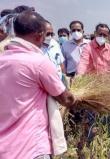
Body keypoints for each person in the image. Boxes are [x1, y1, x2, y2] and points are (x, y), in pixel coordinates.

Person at [0, 10, 76, 159]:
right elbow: (65, 99)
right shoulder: (38, 62)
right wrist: (75, 97)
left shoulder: (3, 59)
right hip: (31, 147)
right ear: (40, 34)